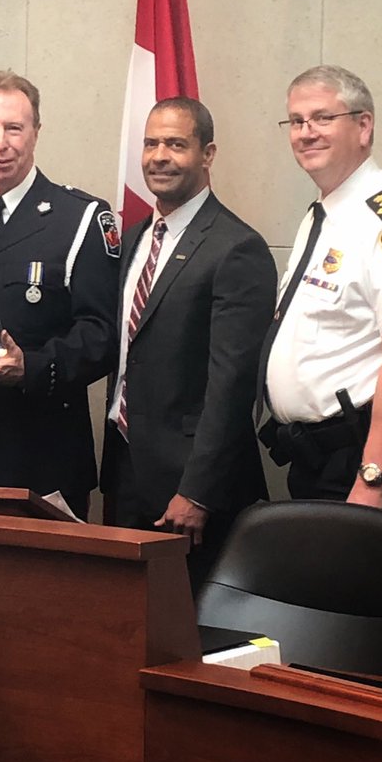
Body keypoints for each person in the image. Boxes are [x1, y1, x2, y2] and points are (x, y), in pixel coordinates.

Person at [0, 69, 119, 518]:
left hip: (40, 453)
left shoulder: (82, 217)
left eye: (14, 127)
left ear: (36, 132)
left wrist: (28, 366)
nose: (1, 142)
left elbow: (101, 335)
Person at [100, 97, 277, 585]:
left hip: (191, 487)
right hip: (126, 467)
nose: (160, 156)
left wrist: (198, 492)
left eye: (176, 144)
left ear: (208, 154)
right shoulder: (134, 238)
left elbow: (233, 384)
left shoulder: (237, 248)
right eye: (151, 143)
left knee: (190, 634)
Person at [260, 65, 382, 520]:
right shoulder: (323, 213)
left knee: (364, 591)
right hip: (317, 456)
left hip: (362, 459)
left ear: (363, 126)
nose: (306, 133)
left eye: (322, 117)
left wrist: (371, 477)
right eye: (296, 121)